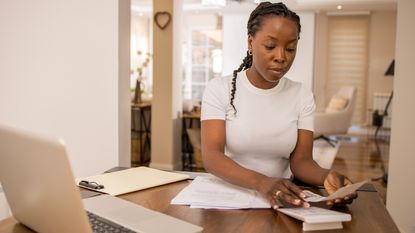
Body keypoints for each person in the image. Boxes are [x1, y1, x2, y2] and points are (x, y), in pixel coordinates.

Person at [200, 1, 357, 209]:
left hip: (281, 197)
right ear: (250, 42)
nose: (281, 57)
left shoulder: (301, 95)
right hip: (229, 198)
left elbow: (302, 162)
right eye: (270, 46)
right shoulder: (219, 89)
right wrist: (262, 183)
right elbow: (212, 157)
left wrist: (327, 176)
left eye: (290, 48)